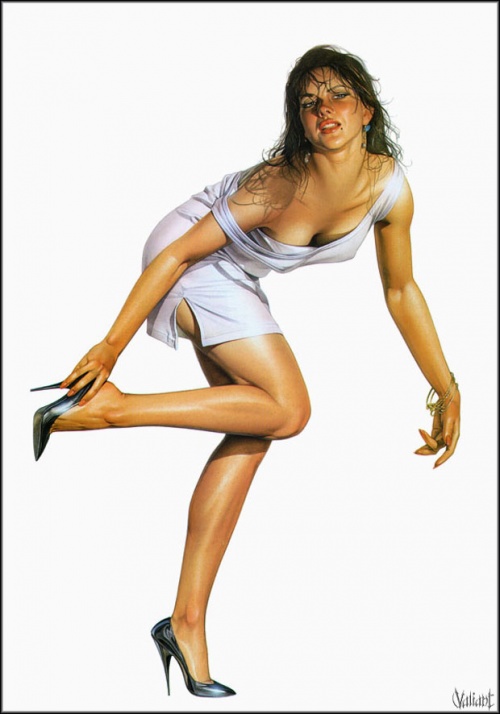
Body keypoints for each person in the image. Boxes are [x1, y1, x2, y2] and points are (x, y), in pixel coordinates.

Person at [31, 44, 461, 698]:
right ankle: (110, 406)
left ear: (366, 110)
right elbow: (177, 254)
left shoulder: (389, 188)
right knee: (289, 407)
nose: (324, 110)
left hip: (233, 274)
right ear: (298, 121)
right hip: (188, 261)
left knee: (255, 428)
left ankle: (185, 624)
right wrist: (111, 346)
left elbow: (401, 291)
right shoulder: (278, 185)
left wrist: (446, 386)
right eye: (309, 103)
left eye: (337, 96)